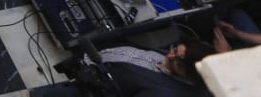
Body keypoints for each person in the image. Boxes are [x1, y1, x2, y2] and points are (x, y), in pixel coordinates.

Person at [29, 42, 213, 97]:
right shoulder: (169, 64)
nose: (170, 56)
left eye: (177, 61)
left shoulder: (164, 93)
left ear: (189, 74)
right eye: (174, 51)